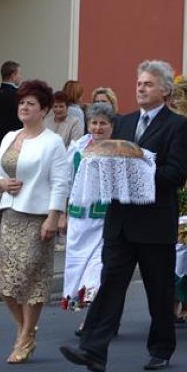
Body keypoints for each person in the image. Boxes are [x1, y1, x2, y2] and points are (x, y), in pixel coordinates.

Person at [59, 60, 187, 372]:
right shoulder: (123, 122)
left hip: (154, 221)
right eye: (138, 84)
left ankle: (161, 348)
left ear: (165, 89)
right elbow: (108, 162)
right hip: (120, 220)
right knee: (110, 285)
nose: (141, 88)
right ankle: (93, 350)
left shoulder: (179, 125)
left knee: (159, 289)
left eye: (148, 84)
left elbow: (175, 174)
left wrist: (138, 167)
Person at [0, 79, 70, 363]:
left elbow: (61, 183)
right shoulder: (11, 136)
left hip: (38, 219)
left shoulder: (53, 143)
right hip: (9, 216)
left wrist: (53, 217)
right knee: (4, 284)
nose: (24, 107)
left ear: (44, 110)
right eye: (22, 102)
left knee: (31, 278)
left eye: (30, 104)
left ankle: (24, 340)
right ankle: (26, 330)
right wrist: (0, 183)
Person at [60, 102, 117, 331]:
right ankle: (98, 316)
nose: (97, 127)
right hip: (78, 220)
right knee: (78, 268)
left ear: (112, 126)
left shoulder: (118, 150)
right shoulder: (77, 148)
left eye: (103, 123)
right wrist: (62, 214)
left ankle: (92, 319)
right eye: (94, 122)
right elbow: (65, 182)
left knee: (98, 269)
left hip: (105, 220)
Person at [0, 60, 22, 148]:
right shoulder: (19, 95)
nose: (20, 77)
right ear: (13, 76)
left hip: (1, 141)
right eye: (19, 74)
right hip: (17, 142)